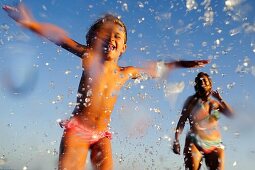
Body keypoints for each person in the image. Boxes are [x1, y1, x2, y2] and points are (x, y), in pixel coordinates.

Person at [3, 4, 209, 170]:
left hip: (102, 135)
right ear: (92, 41)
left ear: (124, 47)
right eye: (105, 34)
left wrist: (184, 63)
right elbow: (58, 38)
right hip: (77, 130)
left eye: (117, 36)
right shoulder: (89, 57)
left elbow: (157, 68)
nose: (111, 38)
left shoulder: (125, 72)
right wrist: (29, 23)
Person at [173, 72, 234, 170]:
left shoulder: (215, 103)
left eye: (204, 80)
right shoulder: (191, 101)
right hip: (195, 141)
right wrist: (176, 140)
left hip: (215, 144)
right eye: (198, 81)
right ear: (196, 85)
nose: (201, 82)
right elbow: (182, 121)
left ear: (210, 84)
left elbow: (231, 115)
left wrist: (220, 99)